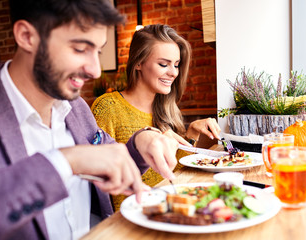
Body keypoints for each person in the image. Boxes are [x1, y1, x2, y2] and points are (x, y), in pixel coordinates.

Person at [0, 1, 179, 239]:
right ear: (27, 36)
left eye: (99, 51)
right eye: (81, 49)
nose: (94, 70)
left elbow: (113, 165)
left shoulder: (77, 108)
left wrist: (141, 143)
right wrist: (66, 161)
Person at [91, 24, 221, 210]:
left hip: (168, 210)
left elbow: (174, 172)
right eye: (163, 64)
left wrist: (190, 134)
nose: (174, 72)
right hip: (130, 218)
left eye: (176, 65)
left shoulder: (167, 109)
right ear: (138, 63)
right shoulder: (108, 107)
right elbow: (99, 175)